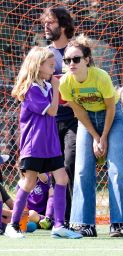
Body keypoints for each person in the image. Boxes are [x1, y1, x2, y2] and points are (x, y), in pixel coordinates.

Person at [5, 46, 82, 239]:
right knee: (29, 182)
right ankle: (13, 225)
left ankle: (58, 225)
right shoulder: (31, 88)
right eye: (50, 65)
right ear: (38, 66)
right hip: (35, 144)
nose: (54, 67)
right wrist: (57, 88)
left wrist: (56, 87)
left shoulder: (46, 86)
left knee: (62, 179)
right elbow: (52, 111)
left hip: (51, 144)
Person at [59, 34, 123, 238]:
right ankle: (85, 224)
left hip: (113, 118)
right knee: (82, 170)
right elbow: (79, 112)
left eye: (76, 59)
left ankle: (117, 224)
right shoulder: (65, 83)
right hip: (87, 120)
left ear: (87, 60)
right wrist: (93, 135)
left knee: (116, 170)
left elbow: (111, 108)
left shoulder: (101, 77)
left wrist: (104, 137)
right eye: (67, 60)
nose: (71, 64)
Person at [40, 7, 77, 227]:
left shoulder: (77, 52)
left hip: (75, 118)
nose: (46, 26)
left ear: (63, 26)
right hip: (50, 120)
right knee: (55, 169)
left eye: (51, 22)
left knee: (71, 165)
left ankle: (74, 218)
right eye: (45, 22)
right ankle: (58, 219)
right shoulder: (43, 55)